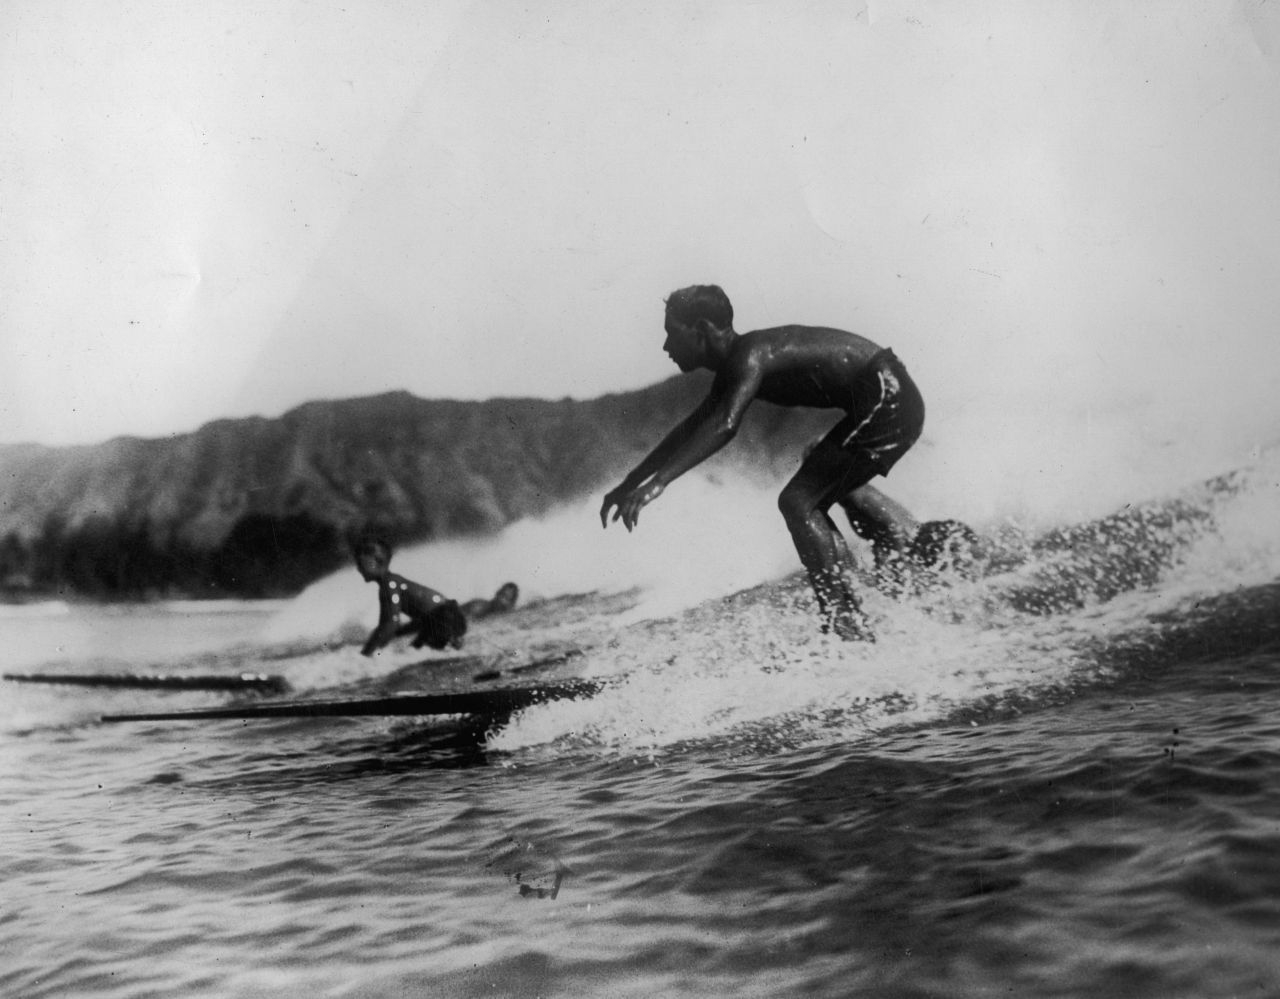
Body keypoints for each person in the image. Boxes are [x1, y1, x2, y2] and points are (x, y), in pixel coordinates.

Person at [599, 284, 926, 641]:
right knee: (817, 465)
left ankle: (845, 620)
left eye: (671, 334)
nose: (666, 347)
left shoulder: (749, 355)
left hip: (888, 397)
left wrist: (657, 484)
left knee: (798, 501)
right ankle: (897, 544)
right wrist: (632, 481)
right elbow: (693, 428)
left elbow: (725, 425)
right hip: (889, 396)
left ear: (702, 329)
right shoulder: (736, 366)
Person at [353, 534, 467, 656]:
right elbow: (395, 625)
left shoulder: (389, 584)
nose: (358, 569)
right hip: (444, 618)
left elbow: (390, 624)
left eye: (360, 563)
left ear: (375, 562)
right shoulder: (392, 582)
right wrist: (396, 634)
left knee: (413, 655)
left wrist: (365, 653)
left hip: (444, 618)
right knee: (414, 652)